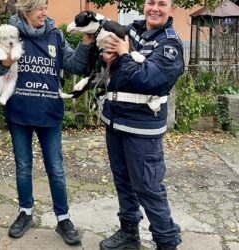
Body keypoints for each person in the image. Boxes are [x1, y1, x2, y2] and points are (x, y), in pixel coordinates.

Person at [0, 0, 94, 245]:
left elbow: (74, 64)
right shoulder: (10, 33)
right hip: (20, 113)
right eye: (40, 9)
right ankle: (25, 214)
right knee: (23, 167)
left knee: (56, 169)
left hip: (49, 113)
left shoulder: (55, 34)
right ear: (26, 10)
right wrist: (3, 61)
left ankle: (63, 218)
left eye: (46, 8)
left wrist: (87, 43)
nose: (45, 13)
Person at [98, 0, 184, 249]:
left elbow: (148, 80)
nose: (154, 8)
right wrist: (109, 56)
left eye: (162, 3)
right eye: (150, 2)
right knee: (122, 182)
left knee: (147, 187)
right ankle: (129, 233)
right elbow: (116, 71)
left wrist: (123, 55)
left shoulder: (169, 45)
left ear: (172, 9)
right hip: (116, 122)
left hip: (142, 130)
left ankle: (166, 241)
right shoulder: (131, 30)